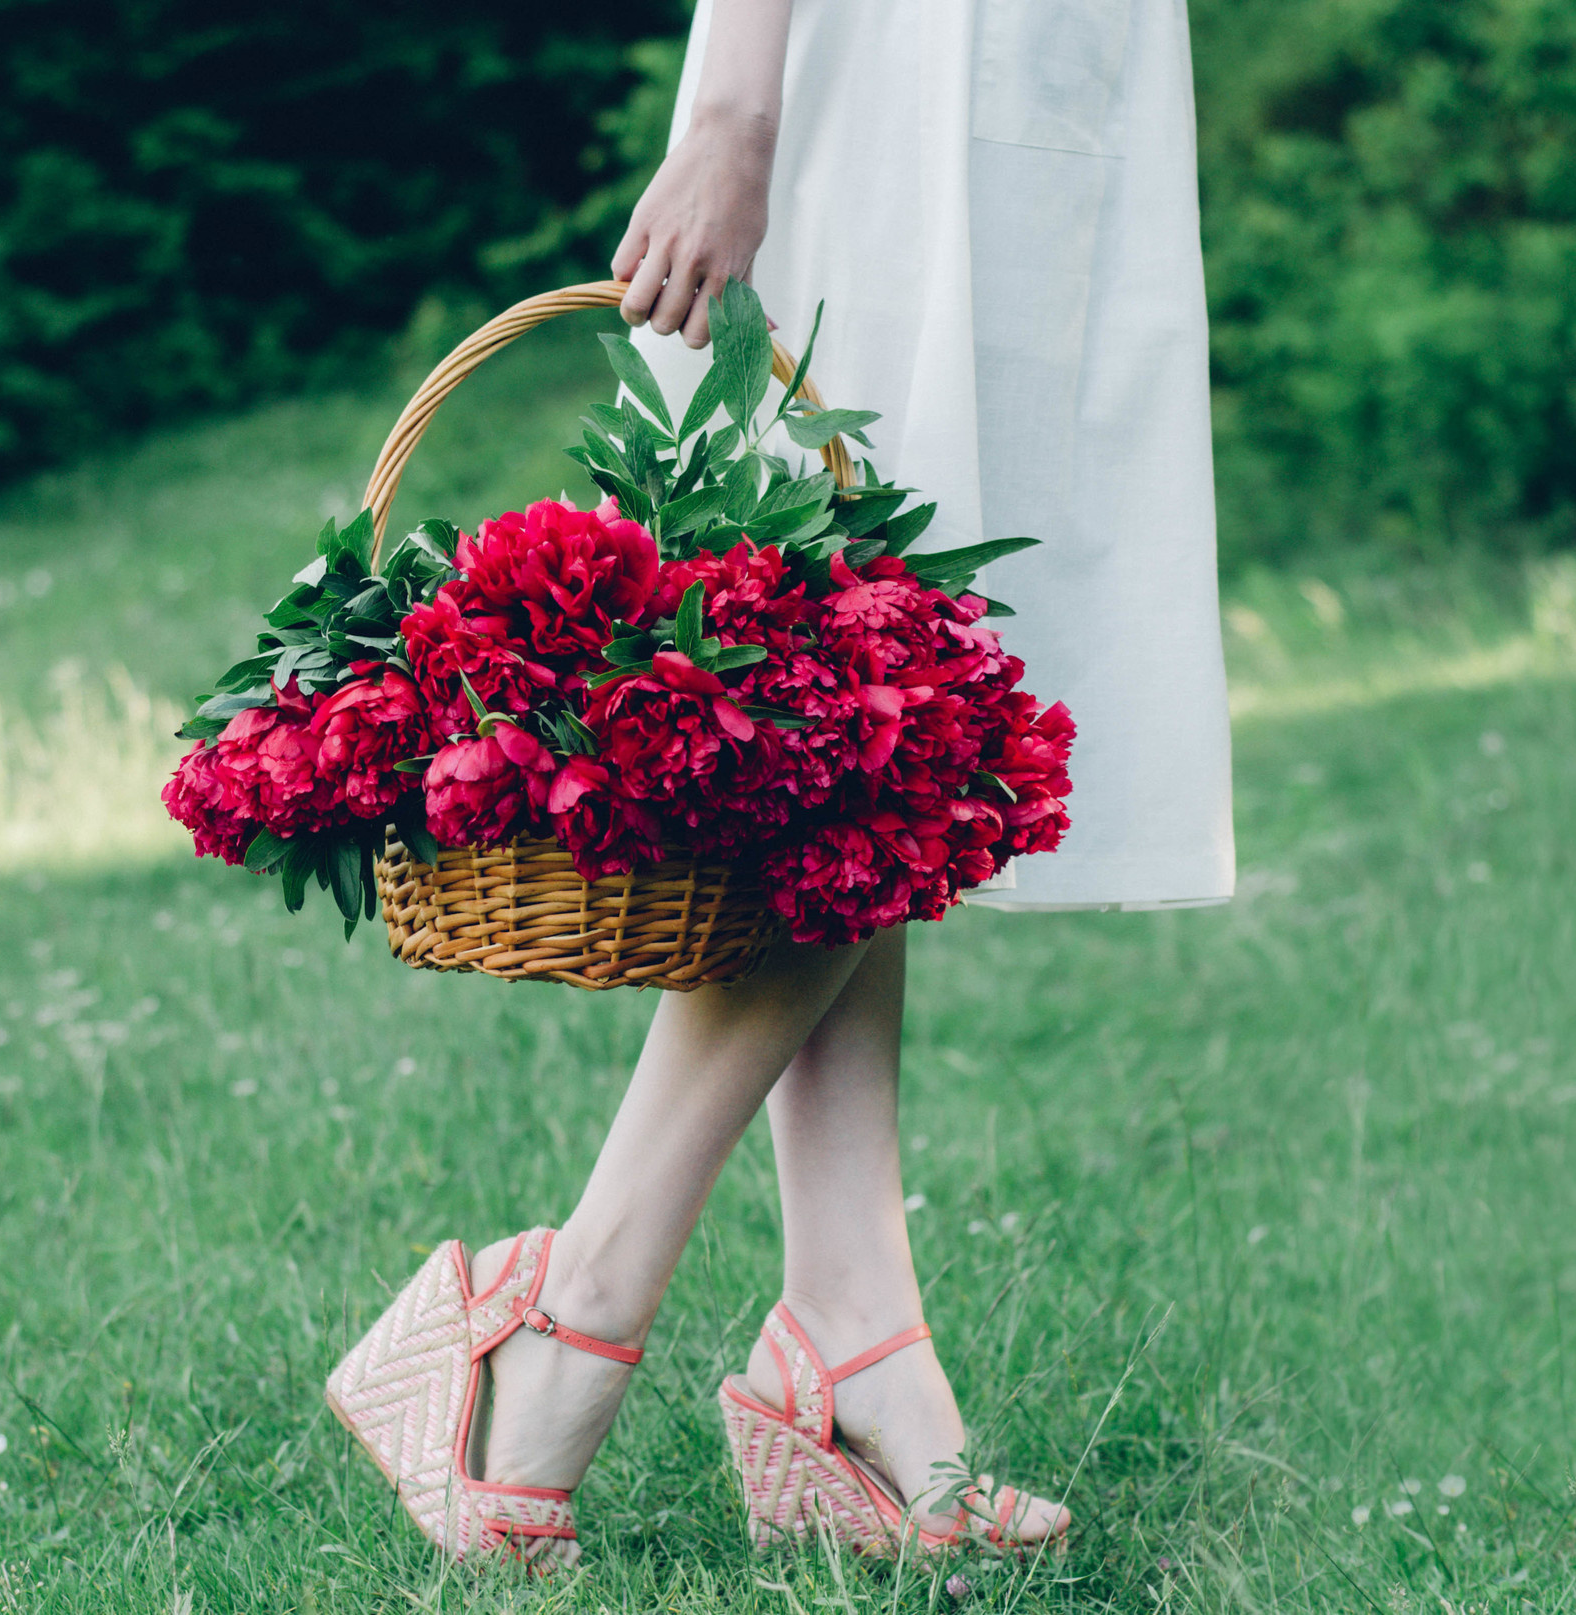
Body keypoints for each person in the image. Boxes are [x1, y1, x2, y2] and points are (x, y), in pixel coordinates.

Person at [322, 0, 1234, 1567]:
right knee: (866, 696)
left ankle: (852, 1329)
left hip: (1057, 65)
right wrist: (740, 109)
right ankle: (568, 1317)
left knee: (893, 715)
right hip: (888, 75)